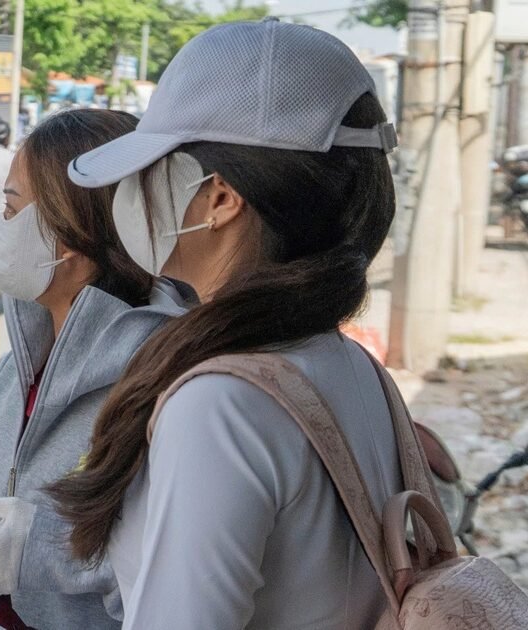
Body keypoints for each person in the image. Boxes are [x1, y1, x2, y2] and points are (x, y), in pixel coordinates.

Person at [49, 18, 404, 629]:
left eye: (153, 165)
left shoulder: (222, 404)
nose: (132, 192)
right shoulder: (353, 368)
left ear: (219, 197)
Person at [0, 108, 196, 629]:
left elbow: (182, 576)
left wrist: (44, 549)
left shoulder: (166, 383)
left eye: (11, 207)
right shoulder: (12, 376)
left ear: (70, 236)